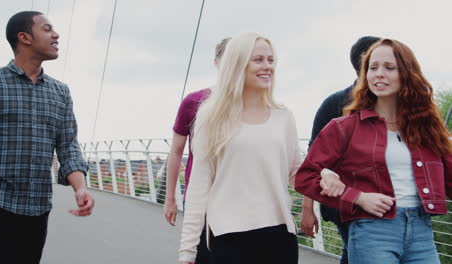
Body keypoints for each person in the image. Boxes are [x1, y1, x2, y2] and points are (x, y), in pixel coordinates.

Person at [295, 38, 451, 264]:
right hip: (371, 231)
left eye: (389, 68)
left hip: (422, 231)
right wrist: (357, 197)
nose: (379, 73)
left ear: (407, 74)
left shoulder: (426, 127)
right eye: (373, 67)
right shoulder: (344, 127)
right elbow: (305, 176)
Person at [178, 32, 302, 264]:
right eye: (258, 60)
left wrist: (326, 175)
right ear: (237, 64)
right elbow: (198, 187)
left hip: (279, 236)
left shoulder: (283, 116)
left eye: (271, 60)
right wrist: (187, 253)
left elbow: (297, 172)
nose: (268, 66)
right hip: (229, 237)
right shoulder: (211, 116)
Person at [0, 11, 94, 263]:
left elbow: (67, 145)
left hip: (37, 210)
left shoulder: (60, 92)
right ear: (24, 38)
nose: (56, 35)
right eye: (47, 29)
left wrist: (81, 188)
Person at [300, 36, 380, 264]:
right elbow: (313, 160)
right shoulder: (335, 104)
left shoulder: (395, 105)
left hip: (385, 201)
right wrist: (308, 208)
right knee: (356, 250)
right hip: (345, 203)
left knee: (354, 253)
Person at [164, 37, 230, 264]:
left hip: (236, 196)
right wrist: (170, 198)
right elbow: (175, 151)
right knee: (202, 256)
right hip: (201, 195)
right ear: (216, 62)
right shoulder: (194, 102)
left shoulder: (252, 104)